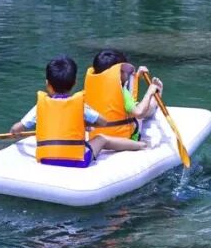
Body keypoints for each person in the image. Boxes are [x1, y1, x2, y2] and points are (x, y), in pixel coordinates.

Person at [9, 55, 150, 167]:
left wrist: (14, 132)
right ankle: (140, 145)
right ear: (75, 82)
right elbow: (103, 122)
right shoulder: (80, 106)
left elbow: (17, 128)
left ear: (47, 84)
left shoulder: (39, 107)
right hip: (77, 161)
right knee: (101, 139)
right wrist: (83, 123)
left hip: (45, 159)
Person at [84, 49, 163, 142]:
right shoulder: (123, 93)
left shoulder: (90, 88)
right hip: (124, 139)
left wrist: (136, 76)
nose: (127, 73)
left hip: (96, 137)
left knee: (131, 106)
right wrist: (150, 92)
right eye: (124, 70)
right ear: (118, 73)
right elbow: (139, 113)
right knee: (145, 109)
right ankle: (156, 95)